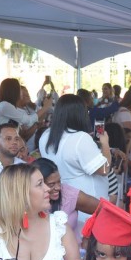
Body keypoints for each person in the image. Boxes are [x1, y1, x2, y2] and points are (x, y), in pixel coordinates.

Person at [40, 94, 111, 229]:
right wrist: (105, 144)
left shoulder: (45, 136)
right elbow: (104, 169)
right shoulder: (80, 138)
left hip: (62, 204)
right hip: (88, 205)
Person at [30, 157, 99, 236]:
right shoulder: (25, 204)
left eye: (59, 181)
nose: (58, 188)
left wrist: (88, 236)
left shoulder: (69, 195)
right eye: (51, 184)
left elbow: (104, 210)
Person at [0, 78, 52, 143]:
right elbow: (28, 121)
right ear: (14, 91)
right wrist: (45, 107)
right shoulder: (5, 105)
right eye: (19, 90)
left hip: (1, 143)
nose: (21, 93)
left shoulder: (9, 106)